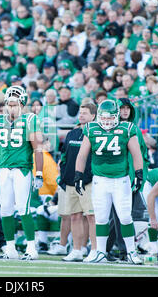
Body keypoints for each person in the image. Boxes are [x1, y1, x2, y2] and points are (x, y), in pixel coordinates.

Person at [74, 99, 144, 264]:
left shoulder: (127, 128)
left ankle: (131, 252)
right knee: (101, 218)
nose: (106, 121)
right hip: (100, 180)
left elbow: (136, 153)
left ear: (117, 116)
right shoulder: (91, 128)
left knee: (125, 217)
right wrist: (78, 175)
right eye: (103, 118)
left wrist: (139, 174)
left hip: (121, 180)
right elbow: (82, 154)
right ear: (98, 116)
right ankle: (100, 252)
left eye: (110, 117)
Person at [0, 85, 44, 260]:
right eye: (9, 104)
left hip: (21, 170)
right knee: (6, 210)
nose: (11, 108)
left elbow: (37, 149)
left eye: (15, 104)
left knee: (23, 208)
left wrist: (38, 172)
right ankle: (10, 248)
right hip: (4, 170)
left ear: (22, 104)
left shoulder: (30, 119)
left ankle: (31, 248)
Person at [56, 103, 98, 262]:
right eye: (80, 113)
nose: (81, 115)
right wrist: (63, 176)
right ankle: (76, 250)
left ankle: (94, 249)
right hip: (70, 181)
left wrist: (89, 176)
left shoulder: (95, 134)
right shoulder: (72, 133)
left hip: (88, 181)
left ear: (93, 116)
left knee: (91, 216)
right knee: (74, 216)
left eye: (85, 113)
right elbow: (64, 156)